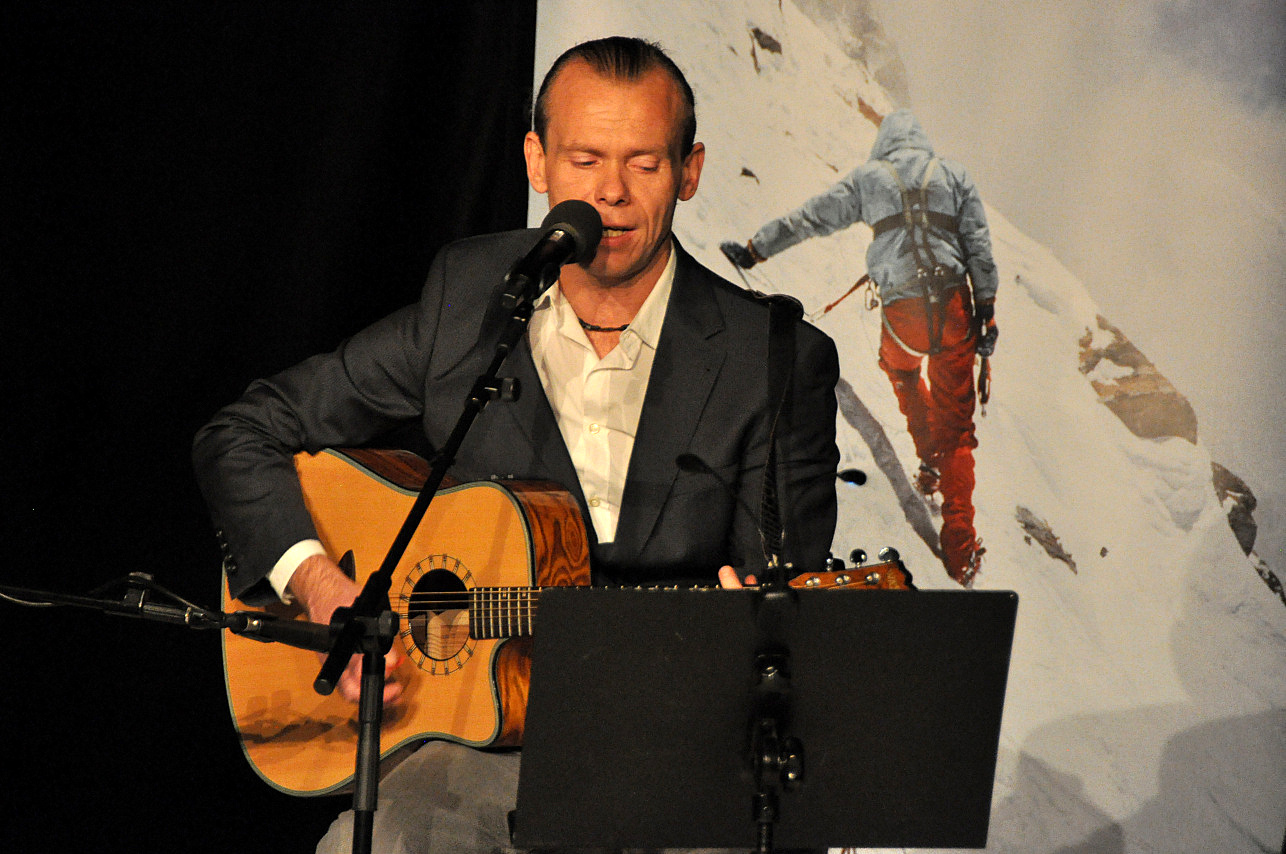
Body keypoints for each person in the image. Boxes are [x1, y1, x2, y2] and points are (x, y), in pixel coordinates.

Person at [193, 36, 839, 853]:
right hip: (483, 744)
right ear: (537, 161)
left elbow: (784, 616)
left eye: (643, 163)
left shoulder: (773, 358)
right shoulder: (469, 300)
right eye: (584, 160)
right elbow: (243, 433)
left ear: (690, 171)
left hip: (676, 741)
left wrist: (740, 632)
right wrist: (321, 587)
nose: (610, 192)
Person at [721, 109, 998, 586]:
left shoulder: (871, 178)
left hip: (904, 312)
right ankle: (961, 551)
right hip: (954, 309)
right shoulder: (953, 175)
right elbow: (977, 243)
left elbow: (812, 217)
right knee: (958, 430)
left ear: (884, 144)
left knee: (901, 370)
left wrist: (754, 250)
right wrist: (987, 307)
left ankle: (928, 457)